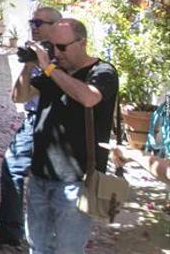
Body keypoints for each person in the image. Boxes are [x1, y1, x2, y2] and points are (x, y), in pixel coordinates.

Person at [13, 19, 118, 253]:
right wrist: (29, 65)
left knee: (67, 250)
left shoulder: (102, 72)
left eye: (62, 47)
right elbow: (19, 97)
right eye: (52, 46)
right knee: (37, 246)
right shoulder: (54, 71)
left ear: (82, 43)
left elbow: (89, 97)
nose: (56, 53)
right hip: (40, 176)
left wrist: (50, 69)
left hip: (76, 181)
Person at [0, 7, 62, 247]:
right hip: (33, 120)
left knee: (41, 178)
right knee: (12, 167)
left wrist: (43, 63)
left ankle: (27, 232)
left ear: (55, 26)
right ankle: (12, 229)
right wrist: (28, 64)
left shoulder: (59, 56)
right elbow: (18, 97)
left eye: (39, 23)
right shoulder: (36, 53)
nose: (34, 26)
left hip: (51, 123)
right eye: (32, 21)